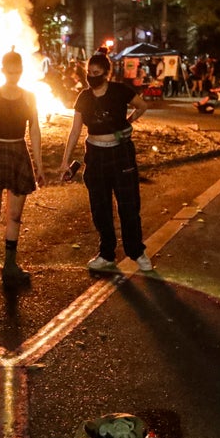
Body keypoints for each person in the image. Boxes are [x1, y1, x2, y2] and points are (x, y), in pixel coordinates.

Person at [58, 53, 153, 273]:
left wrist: (128, 122)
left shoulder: (120, 91)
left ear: (106, 73)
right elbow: (75, 131)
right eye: (89, 73)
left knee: (128, 205)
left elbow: (142, 106)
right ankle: (106, 254)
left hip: (121, 154)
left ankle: (137, 252)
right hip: (96, 155)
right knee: (100, 207)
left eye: (97, 73)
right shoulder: (84, 97)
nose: (92, 77)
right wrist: (65, 161)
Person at [0, 49, 45, 287]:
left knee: (15, 215)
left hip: (18, 153)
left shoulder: (29, 97)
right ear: (3, 71)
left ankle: (10, 266)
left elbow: (34, 130)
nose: (14, 75)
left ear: (22, 71)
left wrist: (39, 165)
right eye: (10, 71)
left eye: (18, 71)